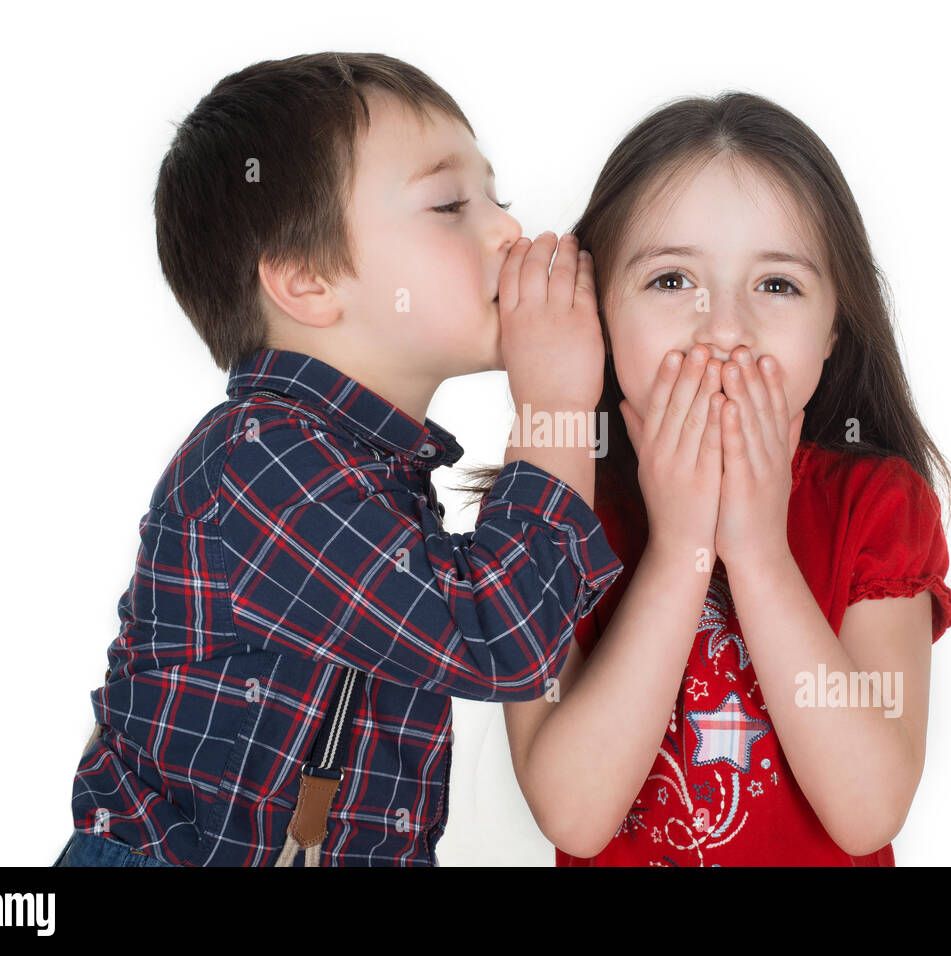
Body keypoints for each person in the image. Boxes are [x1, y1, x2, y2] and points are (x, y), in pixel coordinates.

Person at [54, 52, 621, 866]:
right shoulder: (258, 463)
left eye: (496, 197)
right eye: (451, 205)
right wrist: (556, 407)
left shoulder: (366, 468)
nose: (507, 229)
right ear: (308, 281)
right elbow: (504, 637)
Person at [457, 90, 951, 865]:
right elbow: (574, 815)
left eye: (777, 285)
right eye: (669, 281)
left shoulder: (878, 506)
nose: (724, 329)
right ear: (598, 312)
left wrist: (757, 553)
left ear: (833, 329)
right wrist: (682, 545)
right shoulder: (545, 510)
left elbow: (869, 811)